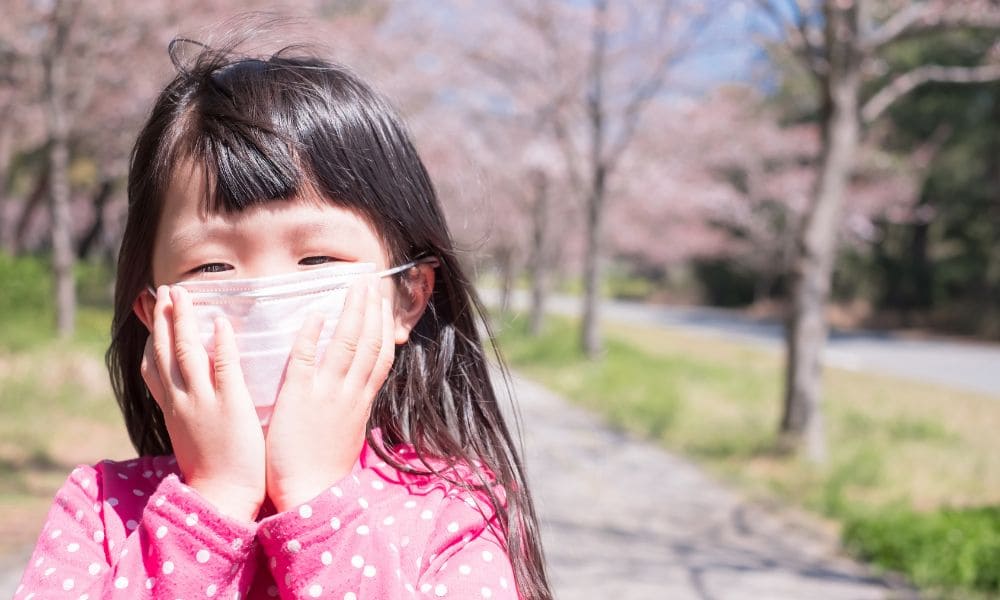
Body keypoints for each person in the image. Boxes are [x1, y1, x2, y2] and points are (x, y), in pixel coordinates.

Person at [15, 39, 551, 600]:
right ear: (152, 312)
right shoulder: (99, 512)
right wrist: (212, 502)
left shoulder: (456, 513)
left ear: (407, 296)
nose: (266, 298)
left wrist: (317, 502)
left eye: (317, 258)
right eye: (212, 264)